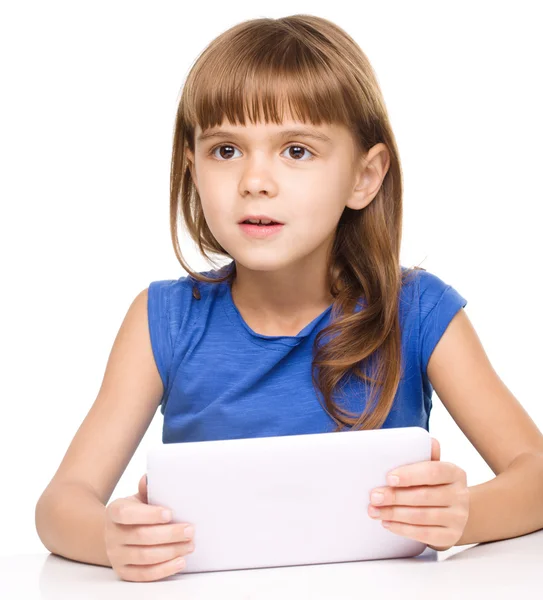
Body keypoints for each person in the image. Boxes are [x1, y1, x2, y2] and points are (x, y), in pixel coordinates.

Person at [35, 13, 543, 583]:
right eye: (226, 150)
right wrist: (111, 538)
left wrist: (464, 514)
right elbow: (60, 506)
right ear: (192, 169)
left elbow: (537, 475)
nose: (255, 180)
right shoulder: (163, 321)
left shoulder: (419, 312)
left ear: (364, 176)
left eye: (296, 151)